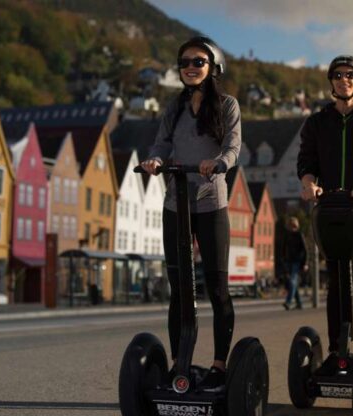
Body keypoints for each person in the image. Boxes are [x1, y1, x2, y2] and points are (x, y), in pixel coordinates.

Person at [140, 36, 241, 392]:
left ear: (213, 66)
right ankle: (178, 364)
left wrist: (219, 163)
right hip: (176, 204)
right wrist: (155, 159)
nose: (190, 68)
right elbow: (162, 143)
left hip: (212, 203)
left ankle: (218, 365)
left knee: (217, 289)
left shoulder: (227, 105)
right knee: (179, 289)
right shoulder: (174, 107)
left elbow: (232, 145)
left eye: (198, 62)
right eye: (184, 62)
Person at [297, 55, 353, 374]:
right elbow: (306, 163)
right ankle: (338, 351)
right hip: (333, 211)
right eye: (337, 74)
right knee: (336, 282)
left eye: (350, 75)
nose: (343, 79)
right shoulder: (318, 122)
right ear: (331, 81)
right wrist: (310, 185)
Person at [281, 216, 307, 310]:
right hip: (288, 261)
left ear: (297, 226)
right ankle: (299, 303)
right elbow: (283, 248)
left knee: (292, 281)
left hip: (297, 262)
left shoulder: (300, 235)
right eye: (291, 226)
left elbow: (304, 250)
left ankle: (288, 302)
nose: (292, 228)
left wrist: (304, 263)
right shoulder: (287, 235)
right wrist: (283, 259)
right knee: (292, 283)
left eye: (294, 226)